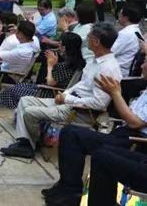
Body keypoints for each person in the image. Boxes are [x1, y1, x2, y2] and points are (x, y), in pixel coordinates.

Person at [0, 22, 122, 159]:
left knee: (29, 112)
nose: (86, 39)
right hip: (69, 102)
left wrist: (68, 99)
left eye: (89, 37)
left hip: (79, 111)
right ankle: (25, 143)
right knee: (24, 100)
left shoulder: (108, 69)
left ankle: (32, 142)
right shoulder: (94, 61)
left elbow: (99, 103)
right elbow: (81, 85)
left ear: (96, 41)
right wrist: (65, 94)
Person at [41, 59, 147, 206]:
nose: (141, 66)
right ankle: (69, 189)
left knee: (98, 154)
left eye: (145, 62)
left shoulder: (109, 66)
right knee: (70, 132)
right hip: (123, 133)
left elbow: (135, 122)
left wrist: (115, 94)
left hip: (134, 140)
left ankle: (71, 192)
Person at [0, 32, 85, 109]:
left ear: (64, 48)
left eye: (60, 44)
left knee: (15, 90)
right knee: (20, 86)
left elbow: (50, 82)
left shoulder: (66, 66)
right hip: (55, 90)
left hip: (50, 93)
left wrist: (50, 65)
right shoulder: (79, 63)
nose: (58, 47)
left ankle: (21, 107)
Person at [111, 4, 141, 77]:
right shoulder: (136, 30)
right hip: (126, 68)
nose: (118, 16)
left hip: (118, 70)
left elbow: (111, 52)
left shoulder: (126, 33)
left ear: (126, 18)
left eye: (120, 14)